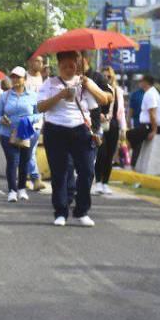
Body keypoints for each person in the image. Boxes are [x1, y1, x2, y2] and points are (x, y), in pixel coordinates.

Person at [37, 50, 103, 226]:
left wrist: (89, 87)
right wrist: (60, 95)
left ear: (78, 64)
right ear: (59, 66)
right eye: (64, 66)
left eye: (72, 65)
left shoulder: (84, 83)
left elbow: (99, 103)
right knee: (60, 173)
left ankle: (81, 210)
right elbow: (40, 107)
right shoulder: (49, 83)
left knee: (88, 171)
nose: (68, 69)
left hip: (80, 129)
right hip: (55, 130)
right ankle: (60, 212)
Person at [0, 66, 40, 202]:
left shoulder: (33, 95)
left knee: (24, 162)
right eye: (12, 77)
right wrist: (0, 119)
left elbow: (40, 113)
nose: (15, 79)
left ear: (24, 79)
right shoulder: (5, 95)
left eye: (18, 77)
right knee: (12, 161)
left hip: (27, 133)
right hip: (8, 133)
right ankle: (12, 190)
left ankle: (21, 189)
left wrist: (29, 119)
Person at [93, 65, 128, 195]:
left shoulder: (117, 90)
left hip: (112, 124)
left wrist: (123, 128)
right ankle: (97, 182)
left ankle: (105, 183)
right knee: (101, 153)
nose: (106, 78)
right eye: (104, 76)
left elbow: (121, 112)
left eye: (109, 76)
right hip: (99, 123)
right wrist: (98, 115)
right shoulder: (96, 89)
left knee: (110, 155)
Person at [125, 73, 160, 165]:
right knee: (136, 141)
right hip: (146, 125)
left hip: (149, 126)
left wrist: (154, 130)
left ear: (145, 82)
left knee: (129, 134)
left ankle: (124, 158)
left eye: (141, 81)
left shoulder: (150, 94)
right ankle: (132, 162)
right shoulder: (150, 92)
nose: (140, 83)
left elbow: (152, 113)